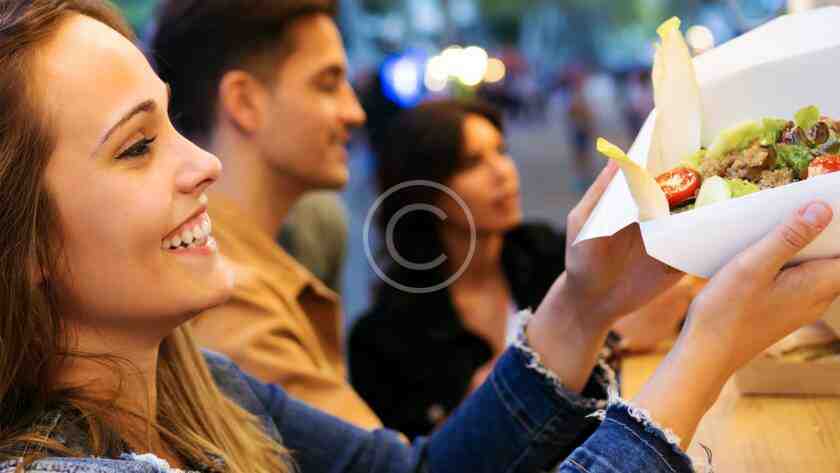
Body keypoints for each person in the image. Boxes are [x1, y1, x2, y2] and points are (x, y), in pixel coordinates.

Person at [2, 2, 839, 473]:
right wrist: (704, 352)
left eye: (173, 125)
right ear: (25, 241)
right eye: (137, 146)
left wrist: (585, 302)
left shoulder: (200, 380)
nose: (203, 165)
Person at [349, 100, 693, 438]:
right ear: (424, 190)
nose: (502, 171)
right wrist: (598, 338)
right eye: (472, 162)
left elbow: (655, 308)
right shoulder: (383, 337)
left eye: (501, 150)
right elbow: (420, 456)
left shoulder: (544, 252)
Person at [148, 0, 380, 428]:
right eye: (328, 84)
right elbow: (386, 459)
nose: (355, 112)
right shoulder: (227, 298)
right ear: (244, 101)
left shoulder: (235, 267)